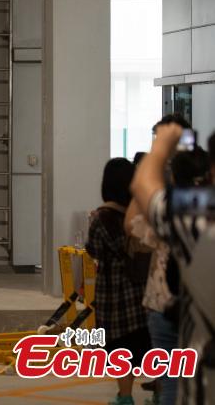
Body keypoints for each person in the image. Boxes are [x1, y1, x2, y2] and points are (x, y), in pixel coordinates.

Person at [132, 122, 215, 405]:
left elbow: (139, 197)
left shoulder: (193, 215)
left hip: (166, 308)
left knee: (171, 385)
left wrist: (159, 150)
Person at [86, 158, 151, 405]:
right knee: (145, 344)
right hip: (141, 290)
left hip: (113, 295)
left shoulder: (101, 217)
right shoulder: (139, 215)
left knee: (120, 348)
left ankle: (125, 397)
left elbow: (94, 251)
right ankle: (158, 392)